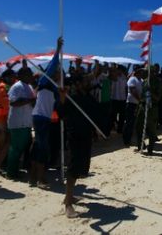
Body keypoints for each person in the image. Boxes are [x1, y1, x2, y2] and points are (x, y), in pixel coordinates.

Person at [58, 74, 99, 218]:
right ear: (78, 84)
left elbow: (95, 113)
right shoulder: (71, 98)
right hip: (75, 135)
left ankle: (69, 197)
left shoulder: (88, 97)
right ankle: (68, 203)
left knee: (81, 167)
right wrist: (62, 98)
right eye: (85, 81)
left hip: (86, 135)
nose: (88, 83)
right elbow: (61, 113)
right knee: (73, 168)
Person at [29, 37, 63, 188]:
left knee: (39, 146)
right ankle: (40, 179)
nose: (58, 74)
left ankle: (33, 176)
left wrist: (62, 95)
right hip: (40, 117)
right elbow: (53, 64)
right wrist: (58, 49)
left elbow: (59, 103)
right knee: (43, 148)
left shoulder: (54, 87)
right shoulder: (44, 80)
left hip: (45, 118)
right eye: (57, 72)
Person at [5, 67, 36, 179]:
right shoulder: (17, 86)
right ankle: (11, 173)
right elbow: (13, 102)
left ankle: (15, 169)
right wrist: (30, 100)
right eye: (29, 74)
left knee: (22, 147)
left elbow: (31, 102)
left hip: (26, 122)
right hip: (17, 122)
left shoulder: (29, 86)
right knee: (16, 148)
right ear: (22, 75)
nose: (31, 76)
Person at [0, 69, 14, 174]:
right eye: (12, 76)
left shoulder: (5, 86)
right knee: (0, 142)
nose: (14, 79)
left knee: (5, 142)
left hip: (2, 116)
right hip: (0, 117)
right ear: (7, 77)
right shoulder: (2, 88)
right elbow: (6, 103)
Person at [134, 66, 160, 154]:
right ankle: (140, 146)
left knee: (151, 129)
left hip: (152, 108)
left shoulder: (157, 82)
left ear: (151, 72)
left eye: (145, 71)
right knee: (138, 127)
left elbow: (158, 98)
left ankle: (150, 149)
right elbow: (142, 96)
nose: (143, 73)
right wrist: (138, 108)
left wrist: (151, 93)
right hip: (142, 107)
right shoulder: (144, 82)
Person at [123, 68, 144, 146]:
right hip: (131, 103)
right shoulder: (132, 79)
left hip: (137, 104)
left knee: (134, 123)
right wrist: (140, 99)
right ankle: (126, 140)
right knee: (129, 122)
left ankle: (130, 139)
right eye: (140, 71)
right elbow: (132, 91)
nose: (142, 73)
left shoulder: (141, 80)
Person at [110, 65, 128, 134]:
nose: (119, 71)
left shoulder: (124, 78)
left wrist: (126, 98)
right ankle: (111, 128)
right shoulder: (114, 76)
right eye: (118, 70)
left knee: (122, 116)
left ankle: (119, 130)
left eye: (120, 70)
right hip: (114, 99)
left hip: (122, 100)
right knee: (112, 115)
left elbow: (126, 88)